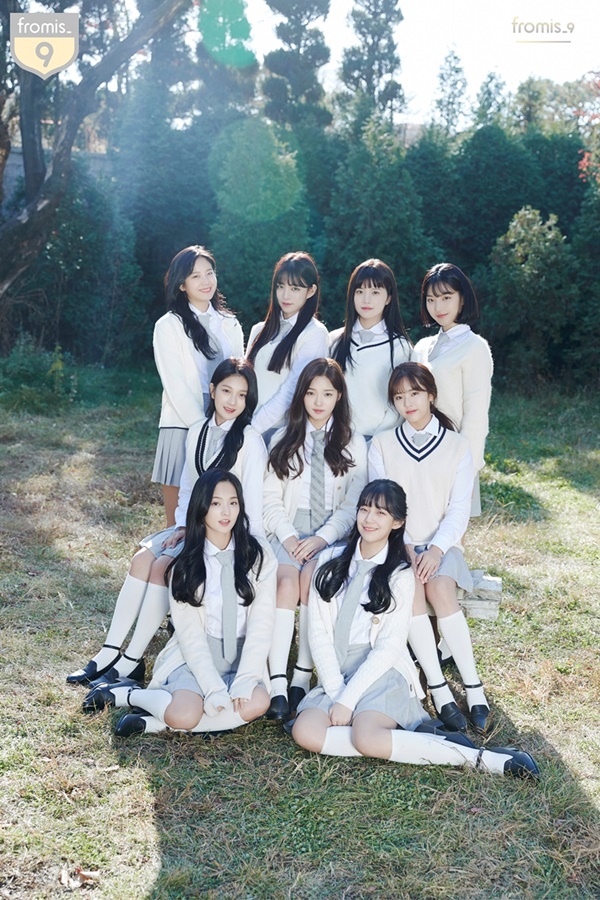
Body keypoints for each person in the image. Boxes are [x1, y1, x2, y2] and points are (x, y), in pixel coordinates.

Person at [291, 480, 538, 779]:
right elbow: (318, 635)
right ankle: (420, 741)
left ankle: (478, 758)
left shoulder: (400, 574)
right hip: (337, 670)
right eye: (364, 509)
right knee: (306, 732)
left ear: (397, 522)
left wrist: (347, 701)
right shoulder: (329, 561)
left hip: (380, 672)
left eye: (381, 513)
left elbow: (388, 648)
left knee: (366, 737)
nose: (369, 519)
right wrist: (338, 693)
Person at [68, 359, 267, 696]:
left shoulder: (249, 440)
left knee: (162, 567)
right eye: (226, 391)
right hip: (192, 526)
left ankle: (132, 660)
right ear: (212, 390)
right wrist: (181, 525)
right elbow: (188, 487)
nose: (232, 401)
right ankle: (109, 651)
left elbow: (252, 505)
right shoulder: (197, 430)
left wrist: (248, 553)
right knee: (141, 560)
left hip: (224, 536)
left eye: (242, 395)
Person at [100, 470, 277, 737]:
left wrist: (246, 678)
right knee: (184, 713)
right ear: (201, 507)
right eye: (216, 503)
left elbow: (262, 625)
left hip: (243, 656)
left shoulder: (258, 556)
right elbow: (190, 636)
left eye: (233, 502)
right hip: (196, 657)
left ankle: (155, 724)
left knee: (259, 702)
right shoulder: (186, 565)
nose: (226, 512)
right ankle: (130, 695)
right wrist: (212, 688)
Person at [369, 362, 490, 733]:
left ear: (431, 395)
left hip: (443, 545)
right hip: (398, 544)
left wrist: (436, 550)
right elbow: (382, 505)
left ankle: (474, 688)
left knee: (439, 588)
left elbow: (458, 509)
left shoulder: (456, 446)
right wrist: (404, 546)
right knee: (411, 593)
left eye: (415, 393)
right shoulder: (382, 444)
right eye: (399, 397)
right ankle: (438, 689)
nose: (408, 402)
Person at [263, 358, 368, 722]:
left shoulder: (353, 442)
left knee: (312, 579)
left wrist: (323, 538)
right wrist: (289, 537)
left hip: (333, 534)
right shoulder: (283, 439)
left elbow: (354, 505)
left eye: (327, 393)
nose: (319, 402)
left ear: (339, 396)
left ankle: (301, 674)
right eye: (311, 393)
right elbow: (269, 501)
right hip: (288, 530)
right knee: (286, 583)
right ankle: (278, 682)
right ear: (301, 396)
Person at [152, 246, 244, 525]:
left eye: (209, 273)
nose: (206, 281)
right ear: (182, 284)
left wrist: (224, 426)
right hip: (183, 424)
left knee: (218, 516)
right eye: (195, 276)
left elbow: (240, 376)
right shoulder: (169, 325)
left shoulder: (230, 324)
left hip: (224, 421)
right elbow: (175, 385)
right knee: (178, 523)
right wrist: (203, 430)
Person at [412, 263, 493, 516]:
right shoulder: (422, 347)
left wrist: (468, 466)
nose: (438, 307)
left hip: (454, 455)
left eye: (446, 297)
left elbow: (476, 415)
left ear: (462, 299)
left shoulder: (475, 347)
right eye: (431, 299)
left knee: (450, 531)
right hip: (416, 451)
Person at [246, 251, 328, 442]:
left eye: (295, 288)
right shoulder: (259, 330)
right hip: (247, 425)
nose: (285, 295)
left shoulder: (314, 333)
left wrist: (254, 427)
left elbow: (293, 388)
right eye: (280, 286)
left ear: (311, 291)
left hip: (281, 432)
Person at [329, 258, 412, 440]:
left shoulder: (400, 347)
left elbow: (401, 400)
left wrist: (377, 441)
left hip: (379, 441)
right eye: (360, 291)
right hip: (337, 439)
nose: (366, 299)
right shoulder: (334, 340)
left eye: (375, 292)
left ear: (388, 298)